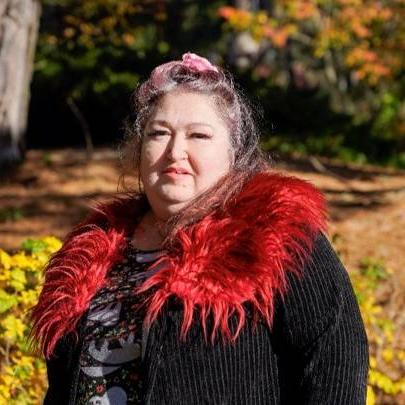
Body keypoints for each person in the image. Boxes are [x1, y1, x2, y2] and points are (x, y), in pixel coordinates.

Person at [30, 52, 369, 405]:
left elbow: (336, 368)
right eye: (159, 133)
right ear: (139, 147)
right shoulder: (93, 255)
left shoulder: (276, 239)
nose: (176, 151)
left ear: (233, 154)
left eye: (199, 136)